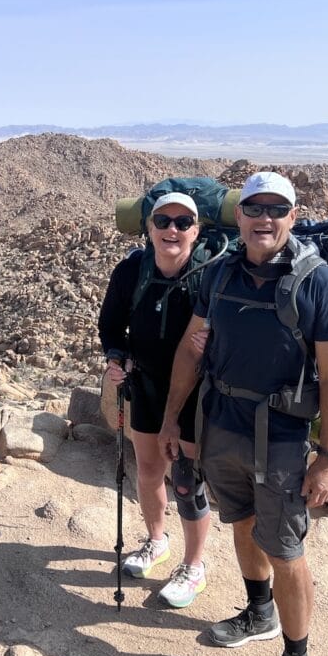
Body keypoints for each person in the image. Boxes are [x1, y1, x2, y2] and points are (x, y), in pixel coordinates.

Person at [160, 172, 328, 656]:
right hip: (221, 424)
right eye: (255, 208)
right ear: (238, 215)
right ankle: (258, 611)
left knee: (286, 550)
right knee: (242, 522)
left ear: (292, 215)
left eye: (277, 209)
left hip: (283, 439)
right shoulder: (219, 276)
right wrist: (174, 417)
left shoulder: (320, 284)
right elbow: (191, 348)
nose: (265, 218)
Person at [98, 192, 213, 609]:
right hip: (144, 385)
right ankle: (156, 540)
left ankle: (194, 566)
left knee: (186, 478)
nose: (172, 230)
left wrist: (213, 344)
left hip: (193, 394)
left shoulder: (209, 276)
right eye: (163, 220)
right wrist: (116, 357)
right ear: (149, 227)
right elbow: (110, 326)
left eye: (183, 223)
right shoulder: (132, 270)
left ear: (196, 232)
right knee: (148, 470)